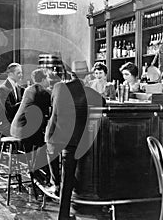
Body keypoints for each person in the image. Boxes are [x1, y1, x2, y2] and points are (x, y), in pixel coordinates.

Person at [45, 71, 105, 220]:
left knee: (64, 177)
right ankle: (64, 215)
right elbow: (103, 103)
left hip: (53, 136)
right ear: (87, 77)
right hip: (72, 141)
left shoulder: (58, 87)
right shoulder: (89, 92)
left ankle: (58, 196)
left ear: (72, 75)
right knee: (69, 178)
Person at [10, 68, 51, 180]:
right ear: (43, 79)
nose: (49, 79)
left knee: (42, 142)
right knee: (47, 144)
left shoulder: (30, 88)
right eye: (48, 77)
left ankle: (37, 171)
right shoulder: (41, 91)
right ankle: (39, 173)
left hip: (17, 127)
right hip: (25, 129)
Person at [0, 63, 24, 137]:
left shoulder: (18, 88)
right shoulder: (3, 89)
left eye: (21, 72)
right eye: (18, 73)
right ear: (10, 74)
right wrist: (24, 103)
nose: (21, 75)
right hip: (5, 123)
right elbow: (9, 110)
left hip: (14, 121)